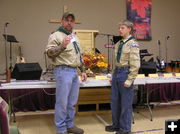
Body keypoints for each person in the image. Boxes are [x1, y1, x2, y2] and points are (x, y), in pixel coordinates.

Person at [46, 12, 87, 134]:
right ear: (62, 22)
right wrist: (62, 46)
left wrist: (83, 71)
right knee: (62, 102)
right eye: (67, 20)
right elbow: (49, 53)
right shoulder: (56, 35)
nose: (69, 22)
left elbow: (79, 55)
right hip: (63, 71)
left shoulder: (75, 37)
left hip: (74, 72)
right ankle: (61, 129)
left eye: (71, 21)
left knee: (71, 103)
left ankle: (69, 125)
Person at [105, 20, 140, 134]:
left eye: (122, 28)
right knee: (114, 101)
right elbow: (116, 61)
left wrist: (130, 79)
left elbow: (135, 64)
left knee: (125, 103)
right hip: (117, 74)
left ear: (129, 29)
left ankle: (125, 129)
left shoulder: (133, 44)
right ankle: (116, 125)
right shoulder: (119, 43)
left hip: (125, 73)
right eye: (119, 28)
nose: (120, 30)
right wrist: (113, 74)